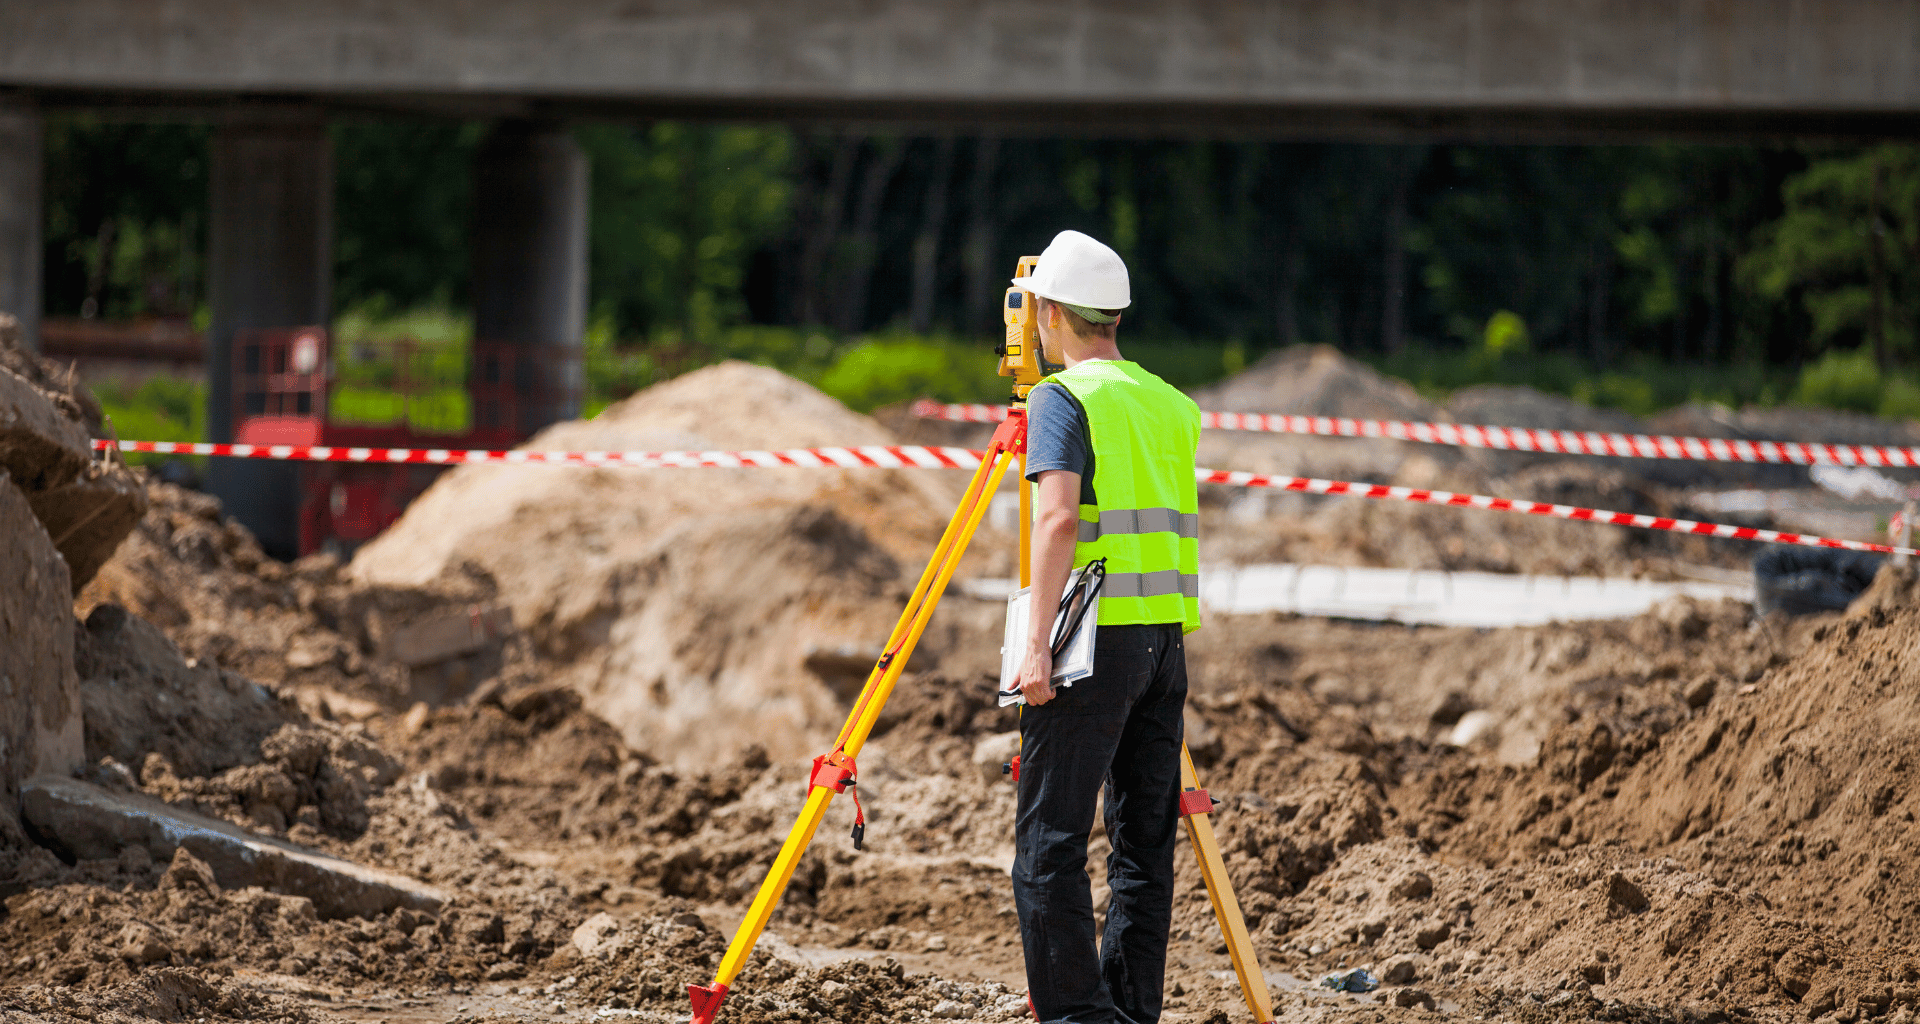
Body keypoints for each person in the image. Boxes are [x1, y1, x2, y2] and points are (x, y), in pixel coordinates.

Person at [1011, 229, 1202, 1024]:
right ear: (1115, 318)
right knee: (1141, 848)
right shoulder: (1169, 401)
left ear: (1049, 312)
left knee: (1048, 848)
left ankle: (1079, 1020)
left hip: (1093, 643)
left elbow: (1055, 522)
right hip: (1164, 642)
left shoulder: (1064, 398)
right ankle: (1127, 1012)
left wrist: (1034, 641)